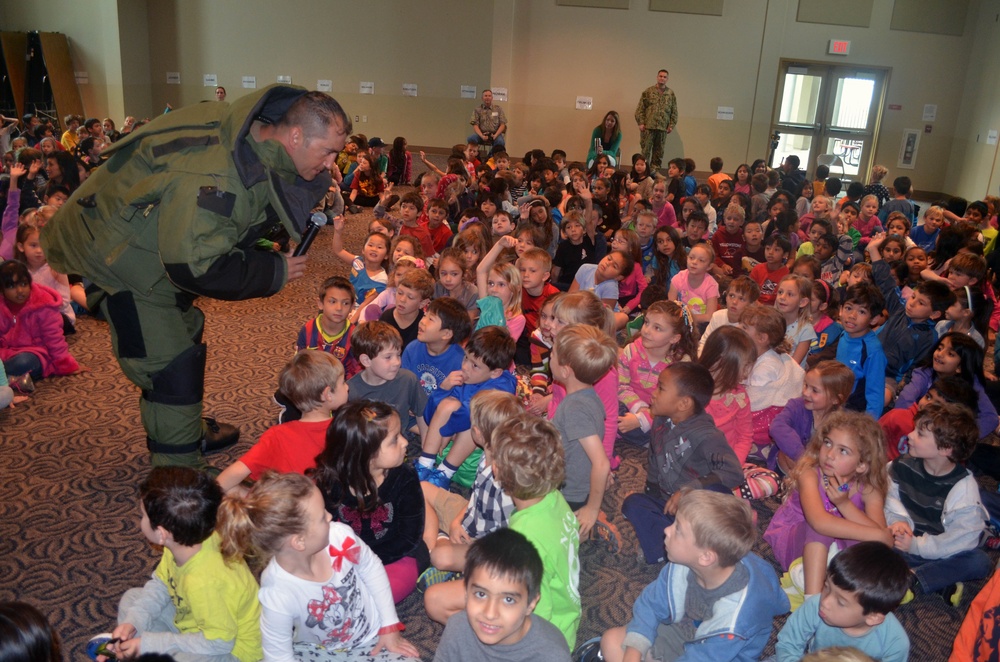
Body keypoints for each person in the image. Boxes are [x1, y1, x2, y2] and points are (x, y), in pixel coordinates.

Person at [42, 85, 351, 468]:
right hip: (116, 258)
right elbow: (195, 264)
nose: (331, 164)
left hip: (145, 240)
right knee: (170, 365)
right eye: (328, 152)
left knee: (186, 326)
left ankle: (182, 430)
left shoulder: (251, 135)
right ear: (295, 136)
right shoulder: (219, 175)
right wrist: (273, 271)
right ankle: (178, 474)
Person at [217, 472, 418, 661]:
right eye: (322, 517)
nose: (330, 517)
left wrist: (389, 625)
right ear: (299, 541)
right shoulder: (277, 593)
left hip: (371, 636)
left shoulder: (340, 536)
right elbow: (278, 656)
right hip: (319, 652)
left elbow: (371, 567)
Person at [597, 491, 789, 662]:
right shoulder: (682, 565)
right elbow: (651, 604)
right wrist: (634, 651)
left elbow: (707, 657)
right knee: (611, 641)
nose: (666, 530)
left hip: (717, 654)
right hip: (678, 631)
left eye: (678, 529)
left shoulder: (738, 619)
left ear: (705, 557)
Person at [96, 467, 262, 662]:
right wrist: (134, 622)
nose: (140, 520)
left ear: (161, 534)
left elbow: (219, 642)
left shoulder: (205, 580)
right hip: (197, 623)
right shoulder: (186, 539)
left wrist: (152, 643)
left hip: (232, 651)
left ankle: (139, 651)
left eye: (143, 515)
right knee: (133, 599)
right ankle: (134, 648)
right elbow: (161, 584)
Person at [621, 362, 743, 564]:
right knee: (633, 504)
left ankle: (680, 545)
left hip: (698, 510)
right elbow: (653, 458)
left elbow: (734, 473)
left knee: (721, 497)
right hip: (670, 505)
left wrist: (689, 490)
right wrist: (651, 493)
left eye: (661, 388)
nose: (653, 393)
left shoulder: (707, 436)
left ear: (684, 404)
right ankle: (670, 549)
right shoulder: (661, 421)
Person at [764, 411, 892, 600]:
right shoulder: (809, 475)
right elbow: (818, 522)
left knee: (867, 544)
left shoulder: (869, 489)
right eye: (828, 443)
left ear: (861, 465)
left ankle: (839, 580)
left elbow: (877, 538)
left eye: (843, 451)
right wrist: (882, 536)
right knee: (824, 529)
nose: (830, 455)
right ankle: (812, 601)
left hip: (837, 547)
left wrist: (845, 504)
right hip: (797, 540)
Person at [312, 400, 430, 604]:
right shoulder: (330, 483)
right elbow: (323, 531)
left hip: (395, 556)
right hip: (347, 556)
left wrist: (366, 561)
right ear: (365, 454)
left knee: (377, 598)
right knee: (315, 590)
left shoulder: (405, 477)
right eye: (394, 439)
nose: (405, 442)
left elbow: (409, 536)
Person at [885, 402, 992, 601]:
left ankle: (912, 577)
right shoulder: (901, 465)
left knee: (980, 561)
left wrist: (917, 546)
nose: (910, 435)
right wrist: (897, 521)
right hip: (900, 543)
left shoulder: (963, 487)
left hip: (940, 548)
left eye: (920, 434)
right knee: (870, 538)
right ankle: (939, 581)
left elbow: (963, 536)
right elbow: (885, 496)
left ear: (945, 448)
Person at [216, 350, 349, 494]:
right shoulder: (347, 429)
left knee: (234, 491)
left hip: (288, 509)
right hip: (332, 508)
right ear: (328, 394)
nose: (347, 386)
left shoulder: (277, 435)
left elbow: (235, 472)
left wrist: (209, 498)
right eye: (343, 382)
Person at [433, 528, 573, 661]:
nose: (490, 614)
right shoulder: (457, 628)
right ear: (466, 593)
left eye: (508, 599)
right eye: (481, 594)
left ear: (531, 604)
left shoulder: (551, 655)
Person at [777, 543, 910, 662]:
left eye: (841, 602)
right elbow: (787, 645)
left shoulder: (895, 642)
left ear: (873, 617)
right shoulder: (815, 604)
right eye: (826, 586)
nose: (825, 601)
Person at [634, 70, 678, 171]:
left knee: (659, 152)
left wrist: (671, 125)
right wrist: (640, 122)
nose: (662, 78)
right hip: (648, 127)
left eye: (664, 77)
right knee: (645, 151)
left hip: (662, 128)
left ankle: (654, 172)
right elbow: (640, 109)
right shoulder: (648, 92)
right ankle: (643, 171)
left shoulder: (670, 94)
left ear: (667, 79)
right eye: (660, 76)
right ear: (657, 77)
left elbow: (674, 111)